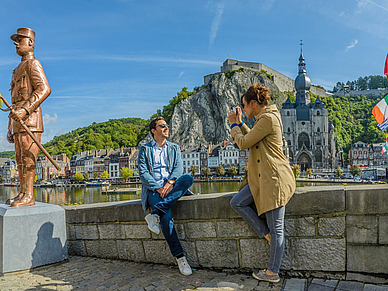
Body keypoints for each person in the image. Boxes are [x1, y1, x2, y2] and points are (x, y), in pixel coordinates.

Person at [228, 83, 295, 283]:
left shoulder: (267, 118)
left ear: (254, 103)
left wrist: (233, 124)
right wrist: (240, 124)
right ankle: (266, 235)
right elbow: (253, 137)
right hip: (262, 178)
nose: (244, 109)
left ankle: (272, 272)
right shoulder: (265, 118)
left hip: (273, 180)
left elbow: (244, 143)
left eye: (245, 105)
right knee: (237, 202)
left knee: (278, 229)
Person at [138, 116, 194, 276]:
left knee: (188, 178)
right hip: (153, 190)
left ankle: (154, 213)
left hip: (171, 186)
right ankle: (180, 258)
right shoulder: (145, 149)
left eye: (167, 125)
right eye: (162, 126)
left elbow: (178, 169)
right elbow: (143, 173)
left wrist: (170, 183)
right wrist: (157, 188)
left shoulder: (174, 148)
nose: (166, 128)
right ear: (153, 131)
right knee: (166, 217)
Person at [6, 28, 51, 207]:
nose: (16, 43)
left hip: (30, 121)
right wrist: (10, 127)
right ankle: (23, 192)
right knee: (19, 159)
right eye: (15, 41)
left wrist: (25, 110)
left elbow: (44, 89)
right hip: (17, 122)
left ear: (30, 43)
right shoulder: (16, 70)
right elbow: (13, 101)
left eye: (20, 40)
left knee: (28, 158)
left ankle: (29, 195)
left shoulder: (33, 64)